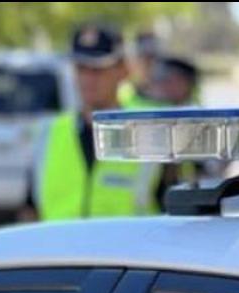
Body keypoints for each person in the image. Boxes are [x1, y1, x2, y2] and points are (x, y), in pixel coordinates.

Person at [28, 25, 164, 221]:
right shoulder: (49, 133)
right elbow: (30, 211)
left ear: (123, 70)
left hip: (126, 251)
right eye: (81, 68)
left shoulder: (148, 134)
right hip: (59, 251)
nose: (88, 79)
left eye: (98, 69)